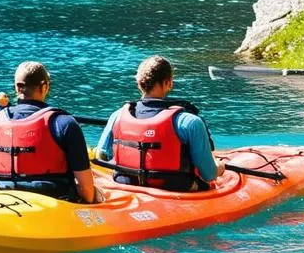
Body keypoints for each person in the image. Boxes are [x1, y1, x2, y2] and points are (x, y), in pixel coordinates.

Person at [0, 61, 100, 204]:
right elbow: (86, 189)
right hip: (53, 201)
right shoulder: (65, 123)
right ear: (45, 87)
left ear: (17, 87)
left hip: (3, 197)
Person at [94, 54, 225, 191]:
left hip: (127, 184)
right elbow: (209, 174)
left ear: (139, 83)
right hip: (176, 188)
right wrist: (219, 168)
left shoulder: (117, 116)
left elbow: (101, 156)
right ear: (168, 83)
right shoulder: (190, 122)